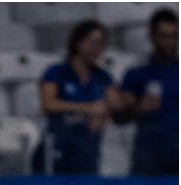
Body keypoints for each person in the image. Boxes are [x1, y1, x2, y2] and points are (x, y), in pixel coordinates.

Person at [36, 20, 120, 175]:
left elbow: (115, 106)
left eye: (100, 44)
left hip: (88, 147)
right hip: (59, 142)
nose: (96, 49)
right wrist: (87, 109)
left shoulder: (103, 77)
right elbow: (48, 104)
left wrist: (105, 114)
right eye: (92, 43)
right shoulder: (56, 72)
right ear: (78, 43)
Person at [117, 9, 178, 176]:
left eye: (174, 36)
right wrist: (137, 107)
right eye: (164, 36)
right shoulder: (137, 72)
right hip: (149, 157)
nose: (170, 42)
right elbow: (120, 117)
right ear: (152, 36)